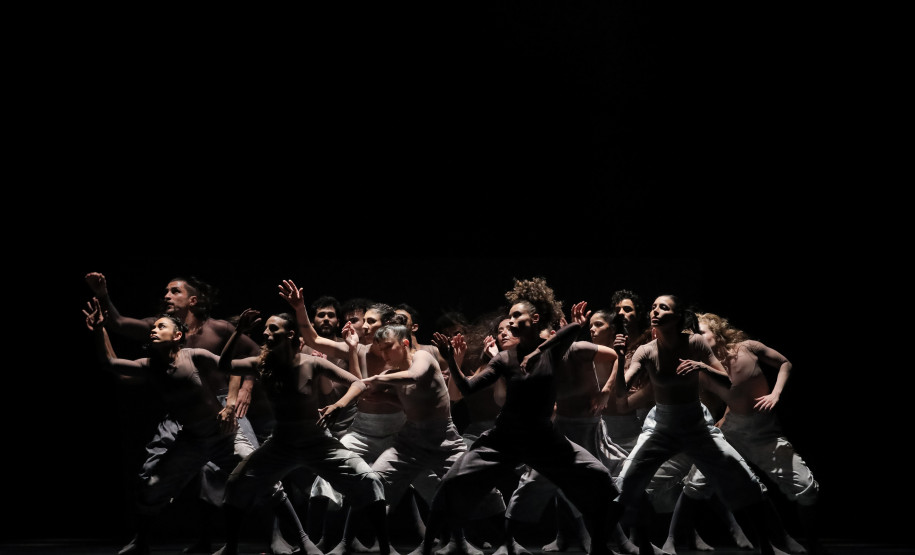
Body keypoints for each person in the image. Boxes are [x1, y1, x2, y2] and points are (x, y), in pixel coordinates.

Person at [84, 273, 288, 555]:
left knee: (248, 467)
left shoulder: (217, 329)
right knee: (152, 474)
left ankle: (279, 536)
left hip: (220, 410)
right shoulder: (157, 329)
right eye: (165, 291)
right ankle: (144, 537)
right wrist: (103, 296)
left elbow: (249, 359)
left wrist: (243, 391)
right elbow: (115, 329)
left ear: (193, 300)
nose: (166, 296)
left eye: (174, 291)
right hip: (183, 416)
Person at [417, 277, 623, 555]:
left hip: (543, 439)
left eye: (517, 315)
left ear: (535, 318)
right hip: (505, 438)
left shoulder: (552, 350)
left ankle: (600, 546)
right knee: (452, 483)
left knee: (598, 478)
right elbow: (465, 388)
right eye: (509, 316)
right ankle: (428, 546)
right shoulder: (504, 358)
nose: (510, 321)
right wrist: (451, 360)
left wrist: (539, 349)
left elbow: (573, 329)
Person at [214, 298, 391, 555]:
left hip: (316, 441)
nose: (266, 333)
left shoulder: (311, 363)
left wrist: (339, 404)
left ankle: (385, 548)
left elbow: (358, 383)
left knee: (369, 480)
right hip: (281, 443)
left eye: (273, 329)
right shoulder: (261, 364)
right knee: (236, 484)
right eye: (265, 329)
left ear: (290, 335)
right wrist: (239, 331)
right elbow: (224, 365)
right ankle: (230, 548)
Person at [611, 294, 779, 555]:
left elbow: (726, 382)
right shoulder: (647, 350)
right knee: (626, 482)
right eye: (653, 307)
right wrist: (619, 357)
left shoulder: (696, 342)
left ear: (677, 317)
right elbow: (621, 393)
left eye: (663, 307)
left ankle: (766, 546)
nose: (655, 311)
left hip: (696, 425)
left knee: (744, 478)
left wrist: (702, 366)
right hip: (662, 427)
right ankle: (618, 544)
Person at [663, 312, 826, 555]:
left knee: (806, 488)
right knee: (696, 483)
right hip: (731, 430)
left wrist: (776, 394)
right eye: (693, 335)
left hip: (764, 431)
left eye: (702, 331)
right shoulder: (702, 370)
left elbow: (785, 363)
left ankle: (813, 546)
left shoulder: (747, 347)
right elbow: (704, 401)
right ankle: (671, 540)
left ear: (717, 332)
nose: (698, 337)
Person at [355, 324, 506, 555]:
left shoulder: (422, 358)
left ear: (404, 344)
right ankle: (377, 546)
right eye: (381, 350)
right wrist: (369, 394)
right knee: (374, 482)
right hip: (410, 441)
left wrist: (377, 378)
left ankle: (503, 542)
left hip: (443, 439)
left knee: (478, 486)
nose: (384, 354)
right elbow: (404, 401)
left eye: (388, 348)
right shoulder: (391, 375)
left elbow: (414, 377)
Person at [501, 301, 631, 554]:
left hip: (591, 429)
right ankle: (507, 543)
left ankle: (614, 542)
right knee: (535, 484)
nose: (550, 342)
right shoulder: (541, 361)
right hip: (562, 430)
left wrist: (606, 391)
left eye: (554, 337)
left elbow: (616, 357)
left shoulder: (579, 349)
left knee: (605, 484)